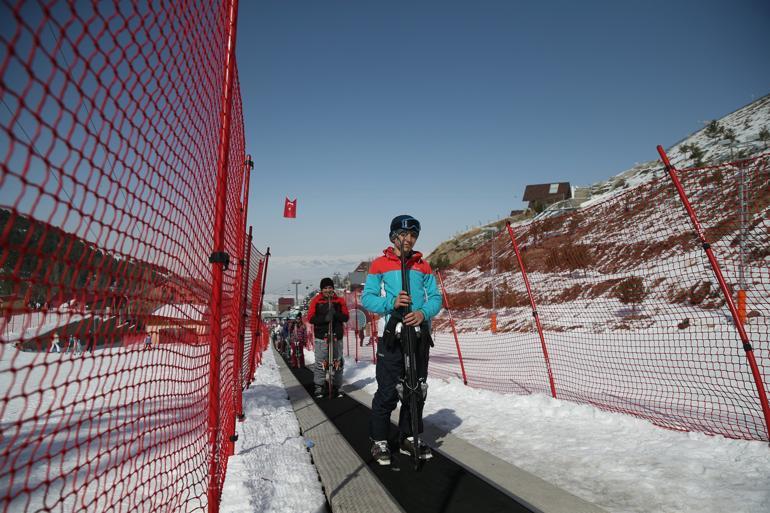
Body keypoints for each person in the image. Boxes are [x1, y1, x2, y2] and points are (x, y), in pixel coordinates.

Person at [361, 215, 442, 465]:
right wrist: (391, 303)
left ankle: (408, 436)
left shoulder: (422, 265)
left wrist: (423, 313)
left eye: (413, 235)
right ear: (393, 236)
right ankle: (380, 440)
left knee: (416, 389)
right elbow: (368, 298)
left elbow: (436, 298)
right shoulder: (379, 265)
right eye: (403, 234)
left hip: (418, 336)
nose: (409, 239)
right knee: (387, 391)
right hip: (393, 336)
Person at [308, 277, 349, 398]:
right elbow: (311, 318)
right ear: (321, 290)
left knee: (338, 362)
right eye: (325, 288)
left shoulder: (339, 300)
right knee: (321, 363)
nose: (328, 290)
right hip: (322, 337)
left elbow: (346, 317)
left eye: (330, 287)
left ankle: (337, 385)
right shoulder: (316, 301)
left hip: (337, 336)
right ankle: (319, 386)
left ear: (333, 288)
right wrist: (324, 318)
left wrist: (336, 314)